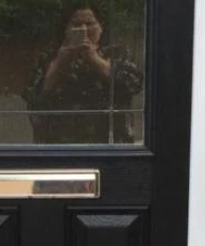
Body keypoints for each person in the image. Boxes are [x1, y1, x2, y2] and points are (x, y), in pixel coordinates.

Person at [24, 4, 144, 144]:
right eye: (76, 25)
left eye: (89, 24)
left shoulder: (119, 54)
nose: (84, 29)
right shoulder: (47, 58)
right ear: (66, 29)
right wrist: (61, 61)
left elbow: (133, 84)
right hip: (58, 147)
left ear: (101, 27)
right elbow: (33, 96)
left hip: (110, 146)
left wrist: (93, 58)